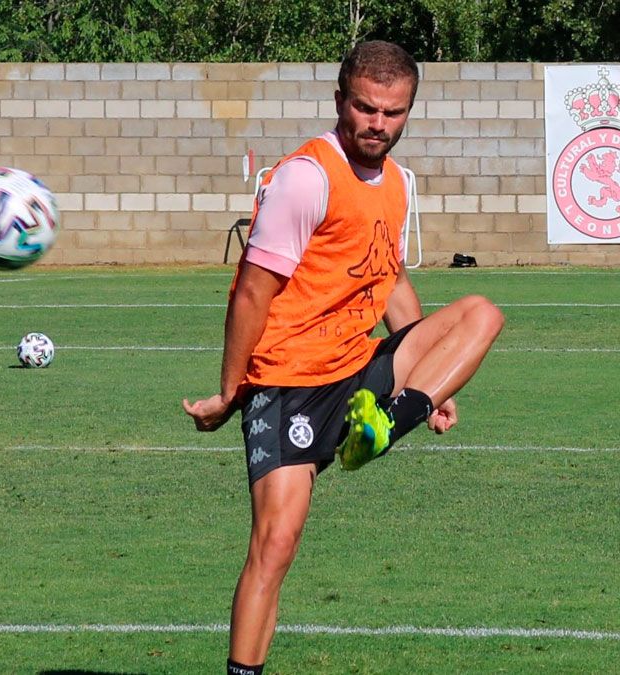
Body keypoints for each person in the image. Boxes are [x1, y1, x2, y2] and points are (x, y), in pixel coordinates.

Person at [181, 41, 504, 674]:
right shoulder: (306, 178)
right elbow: (251, 290)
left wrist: (434, 384)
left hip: (359, 372)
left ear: (408, 112)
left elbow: (391, 281)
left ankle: (388, 423)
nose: (377, 124)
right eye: (364, 108)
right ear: (339, 102)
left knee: (481, 314)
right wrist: (229, 390)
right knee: (275, 544)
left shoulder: (394, 185)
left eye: (392, 112)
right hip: (289, 381)